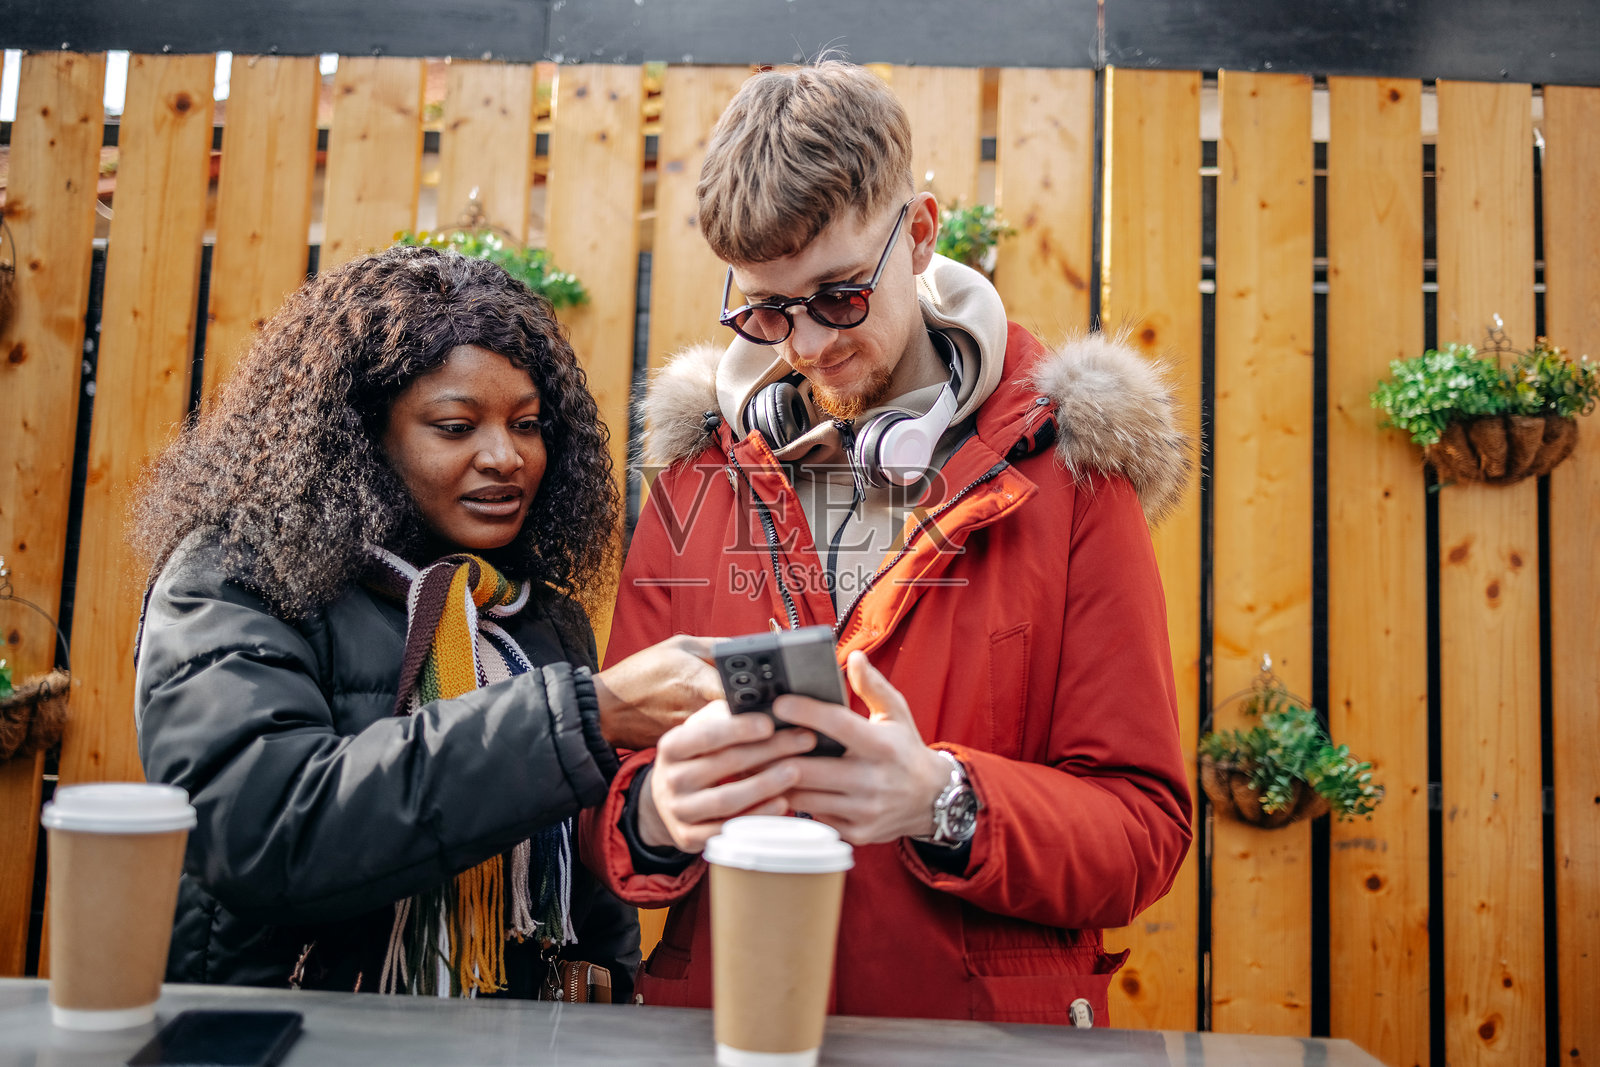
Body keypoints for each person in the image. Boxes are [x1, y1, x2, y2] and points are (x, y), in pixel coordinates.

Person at [579, 61, 1194, 1026]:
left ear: (918, 234)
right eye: (767, 310)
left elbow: (1142, 830)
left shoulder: (1069, 476)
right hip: (732, 1031)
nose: (808, 346)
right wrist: (657, 815)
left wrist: (943, 799)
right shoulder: (695, 481)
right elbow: (605, 809)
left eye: (837, 296)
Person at [133, 246, 722, 1000]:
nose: (506, 456)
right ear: (360, 437)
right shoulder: (239, 576)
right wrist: (581, 715)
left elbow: (578, 875)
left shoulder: (536, 615)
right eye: (454, 426)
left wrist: (605, 977)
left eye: (529, 423)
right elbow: (261, 828)